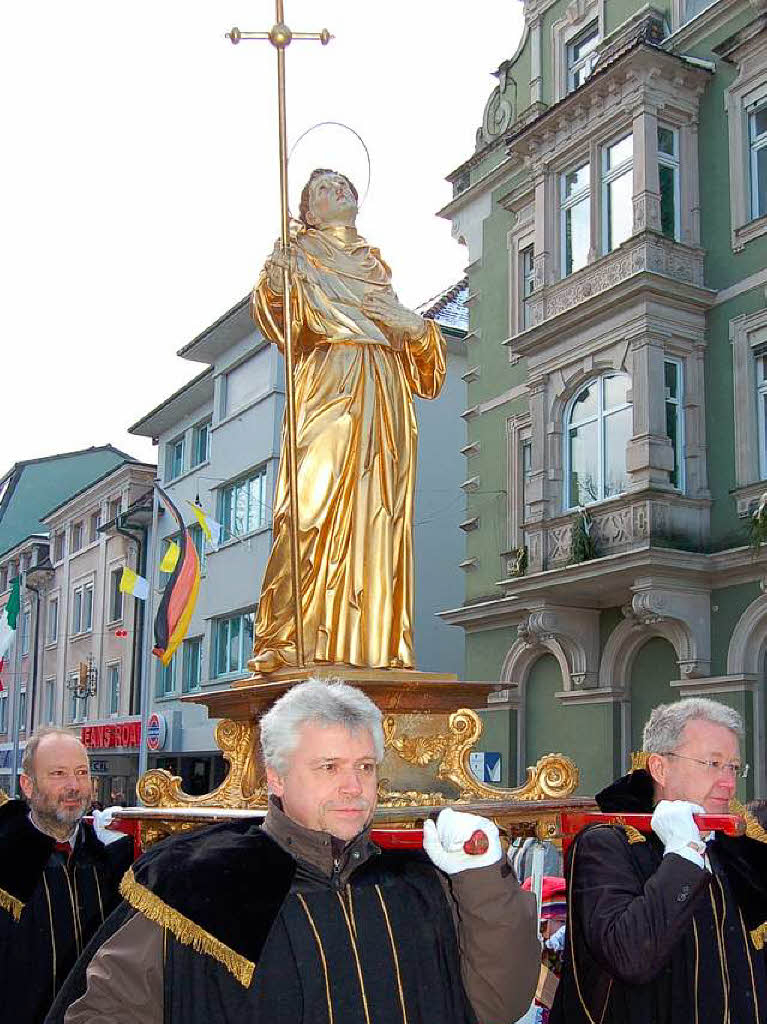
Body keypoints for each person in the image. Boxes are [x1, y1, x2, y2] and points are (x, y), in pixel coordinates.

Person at [58, 679, 540, 1024]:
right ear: (277, 777)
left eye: (366, 767)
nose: (354, 787)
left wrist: (482, 879)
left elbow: (501, 1003)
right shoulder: (198, 884)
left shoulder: (416, 881)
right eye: (328, 767)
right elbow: (105, 1012)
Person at [249, 169, 447, 674]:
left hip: (382, 396)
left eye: (341, 183)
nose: (336, 189)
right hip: (328, 385)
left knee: (377, 518)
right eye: (321, 187)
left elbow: (428, 378)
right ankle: (286, 638)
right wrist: (277, 284)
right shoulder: (296, 257)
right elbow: (281, 322)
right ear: (307, 212)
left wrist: (416, 327)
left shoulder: (376, 268)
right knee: (307, 514)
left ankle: (372, 647)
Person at [551, 697, 767, 1024]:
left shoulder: (738, 848)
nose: (729, 782)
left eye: (733, 767)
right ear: (660, 768)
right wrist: (682, 856)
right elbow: (630, 955)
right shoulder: (607, 844)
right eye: (713, 764)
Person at [0, 728, 133, 1024]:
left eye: (82, 772)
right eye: (58, 773)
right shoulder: (6, 862)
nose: (74, 785)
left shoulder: (113, 859)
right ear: (28, 786)